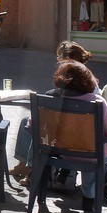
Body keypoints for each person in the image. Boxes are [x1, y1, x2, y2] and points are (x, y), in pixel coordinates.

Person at [16, 61, 107, 203]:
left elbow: (30, 125)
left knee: (90, 152)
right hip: (92, 155)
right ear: (87, 80)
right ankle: (89, 197)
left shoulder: (49, 99)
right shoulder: (98, 102)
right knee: (98, 153)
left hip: (61, 153)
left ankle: (43, 192)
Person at [10, 41, 93, 184]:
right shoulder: (90, 84)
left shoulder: (61, 88)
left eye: (59, 58)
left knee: (36, 125)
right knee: (32, 122)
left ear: (67, 60)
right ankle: (24, 166)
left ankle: (31, 170)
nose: (58, 61)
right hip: (84, 135)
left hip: (63, 137)